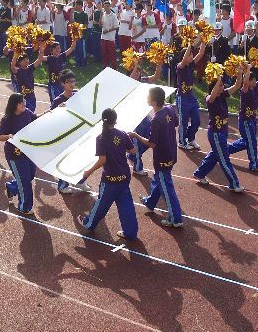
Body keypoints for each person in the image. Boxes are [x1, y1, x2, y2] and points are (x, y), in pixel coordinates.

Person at [78, 108, 138, 240]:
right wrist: (130, 138)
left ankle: (89, 223)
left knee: (101, 204)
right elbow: (133, 151)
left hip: (110, 179)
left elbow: (103, 160)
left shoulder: (101, 137)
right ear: (115, 120)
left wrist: (89, 171)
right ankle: (131, 232)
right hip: (124, 175)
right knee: (126, 203)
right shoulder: (122, 134)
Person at [129, 87, 183, 228]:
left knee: (167, 187)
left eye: (148, 97)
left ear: (153, 102)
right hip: (172, 152)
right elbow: (176, 123)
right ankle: (150, 202)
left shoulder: (156, 118)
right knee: (160, 179)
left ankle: (176, 218)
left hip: (162, 156)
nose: (146, 98)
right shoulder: (170, 108)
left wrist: (136, 135)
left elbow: (152, 144)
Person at [194, 64, 246, 192]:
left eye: (222, 85)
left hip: (222, 132)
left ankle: (200, 173)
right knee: (224, 159)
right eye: (221, 85)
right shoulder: (209, 99)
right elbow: (212, 96)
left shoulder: (223, 95)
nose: (223, 87)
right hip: (215, 134)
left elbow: (237, 86)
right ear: (214, 87)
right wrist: (218, 79)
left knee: (215, 155)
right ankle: (234, 184)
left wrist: (239, 73)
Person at [50, 70, 91, 194]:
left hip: (79, 132)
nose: (72, 84)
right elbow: (50, 117)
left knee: (82, 158)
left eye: (73, 81)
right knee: (66, 160)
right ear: (63, 84)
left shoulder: (78, 95)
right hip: (65, 134)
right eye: (69, 82)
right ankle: (62, 184)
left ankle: (81, 181)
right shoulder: (58, 100)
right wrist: (59, 110)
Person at [0, 93, 38, 215]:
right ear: (14, 104)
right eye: (21, 102)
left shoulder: (27, 113)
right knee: (25, 180)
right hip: (15, 155)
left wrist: (51, 111)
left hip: (27, 152)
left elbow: (37, 118)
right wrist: (9, 136)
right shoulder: (7, 119)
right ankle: (24, 206)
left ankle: (11, 187)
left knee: (30, 175)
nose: (23, 104)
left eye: (23, 101)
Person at [228, 59, 258, 173]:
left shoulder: (255, 87)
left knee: (246, 142)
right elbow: (245, 82)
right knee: (251, 142)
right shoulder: (244, 90)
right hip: (245, 121)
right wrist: (248, 69)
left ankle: (225, 150)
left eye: (255, 79)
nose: (255, 81)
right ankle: (254, 164)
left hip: (252, 120)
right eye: (253, 79)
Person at [176, 43, 205, 150]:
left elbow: (201, 53)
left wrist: (203, 39)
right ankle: (182, 142)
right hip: (182, 98)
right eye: (189, 55)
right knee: (183, 122)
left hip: (191, 97)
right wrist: (189, 45)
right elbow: (184, 60)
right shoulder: (180, 66)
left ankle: (191, 138)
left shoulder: (191, 65)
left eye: (192, 55)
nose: (192, 56)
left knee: (196, 120)